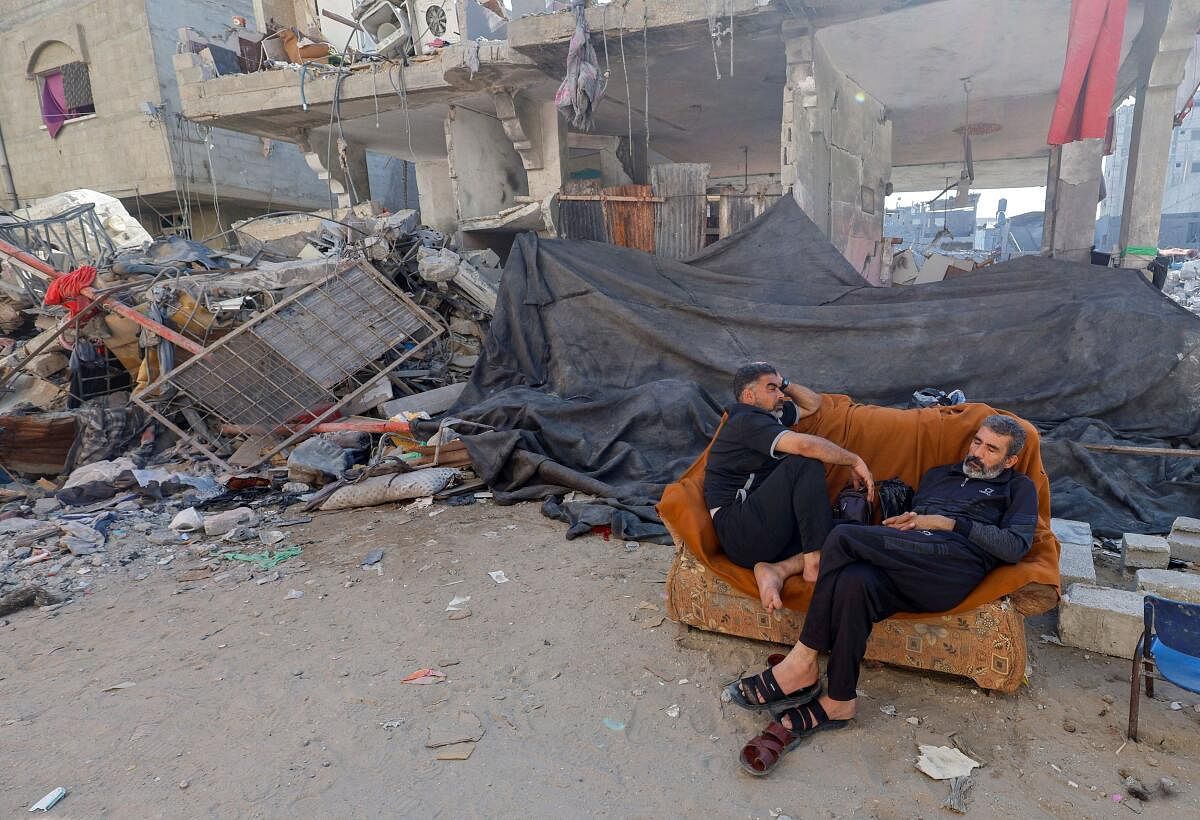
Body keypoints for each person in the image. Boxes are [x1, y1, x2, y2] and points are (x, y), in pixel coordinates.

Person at [726, 414, 1039, 776]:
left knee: (842, 538)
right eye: (977, 442)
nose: (978, 452)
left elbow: (1016, 546)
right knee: (854, 580)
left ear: (1010, 460)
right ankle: (839, 699)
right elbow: (914, 527)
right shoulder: (939, 474)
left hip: (953, 567)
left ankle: (802, 659)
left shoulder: (1018, 488)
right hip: (911, 561)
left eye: (991, 449)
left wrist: (948, 523)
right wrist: (904, 523)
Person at [705, 362, 875, 613]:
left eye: (779, 387)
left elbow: (813, 404)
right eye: (771, 388)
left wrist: (783, 381)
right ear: (749, 396)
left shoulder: (771, 415)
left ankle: (776, 570)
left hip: (764, 527)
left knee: (848, 532)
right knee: (804, 462)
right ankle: (813, 563)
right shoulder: (746, 420)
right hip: (739, 529)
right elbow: (806, 447)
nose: (781, 394)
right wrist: (854, 459)